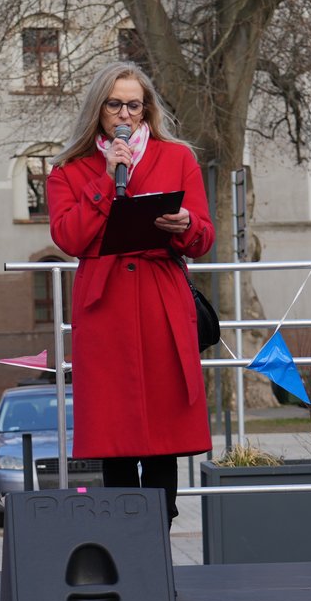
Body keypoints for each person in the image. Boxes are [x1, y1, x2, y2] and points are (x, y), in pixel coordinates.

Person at [47, 60, 215, 524]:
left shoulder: (177, 157)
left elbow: (204, 236)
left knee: (164, 435)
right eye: (115, 104)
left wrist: (185, 226)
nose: (125, 115)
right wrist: (105, 180)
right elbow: (69, 237)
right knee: (114, 435)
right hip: (106, 310)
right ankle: (125, 547)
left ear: (147, 110)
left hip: (162, 303)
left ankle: (159, 545)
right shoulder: (69, 169)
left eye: (134, 105)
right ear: (98, 109)